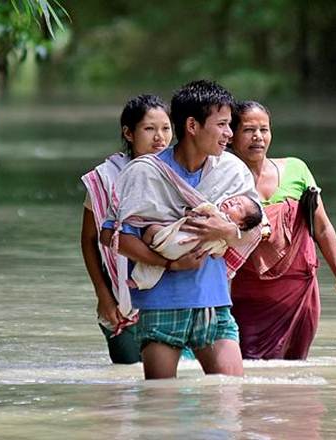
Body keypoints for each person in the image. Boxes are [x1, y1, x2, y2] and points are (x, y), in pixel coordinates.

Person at [107, 80, 262, 379]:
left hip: (214, 301)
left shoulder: (232, 171)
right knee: (159, 409)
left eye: (230, 125)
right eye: (222, 124)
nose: (230, 134)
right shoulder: (145, 172)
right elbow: (113, 237)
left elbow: (256, 230)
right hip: (162, 304)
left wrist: (225, 231)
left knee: (231, 400)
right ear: (192, 125)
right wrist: (169, 262)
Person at [229, 101, 336, 360]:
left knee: (294, 370)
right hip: (246, 295)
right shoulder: (224, 180)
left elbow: (322, 229)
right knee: (248, 366)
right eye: (248, 130)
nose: (258, 137)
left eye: (264, 129)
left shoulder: (296, 170)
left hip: (298, 291)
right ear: (231, 134)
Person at [80, 94, 175, 364]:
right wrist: (103, 296)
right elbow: (89, 240)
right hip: (121, 303)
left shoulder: (179, 173)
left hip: (171, 296)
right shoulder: (105, 178)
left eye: (166, 128)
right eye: (149, 129)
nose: (160, 137)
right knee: (128, 384)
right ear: (128, 133)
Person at [130, 195, 262, 290]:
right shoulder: (222, 237)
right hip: (178, 250)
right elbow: (217, 254)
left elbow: (204, 208)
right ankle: (139, 281)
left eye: (238, 207)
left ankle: (139, 274)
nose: (233, 202)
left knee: (152, 232)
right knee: (158, 267)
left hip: (176, 245)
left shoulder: (223, 227)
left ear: (241, 224)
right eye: (234, 199)